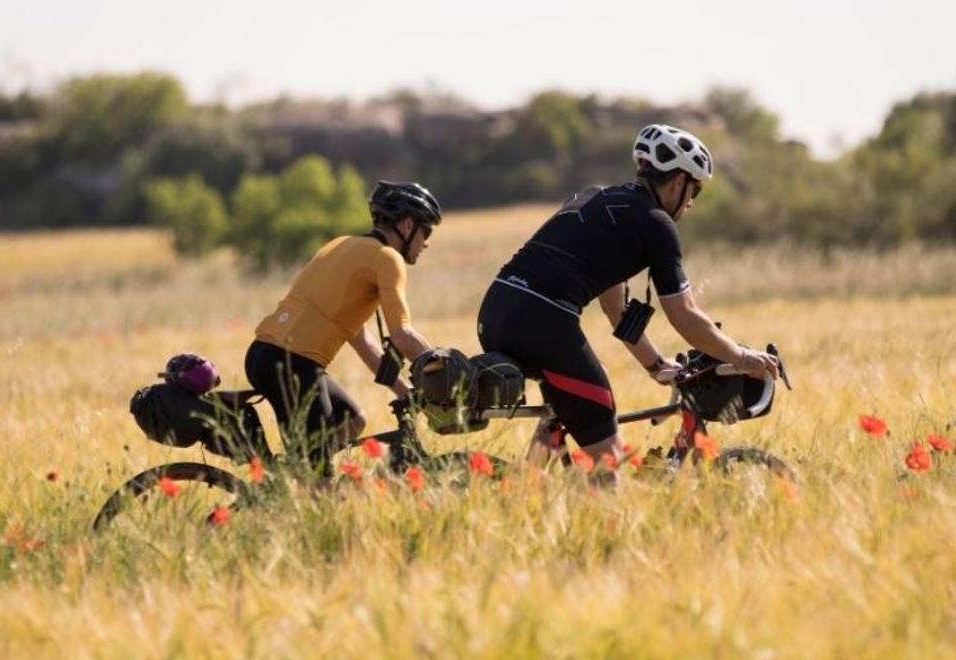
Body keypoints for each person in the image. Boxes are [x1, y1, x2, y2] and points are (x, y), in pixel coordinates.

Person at [476, 124, 780, 472]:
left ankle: (522, 493)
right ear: (679, 181)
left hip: (496, 312)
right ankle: (604, 514)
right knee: (611, 459)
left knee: (578, 395)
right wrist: (741, 357)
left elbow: (615, 308)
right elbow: (684, 314)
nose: (692, 202)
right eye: (695, 190)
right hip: (543, 323)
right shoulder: (656, 224)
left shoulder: (597, 199)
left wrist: (653, 364)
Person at [246, 181, 441, 476]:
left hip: (268, 355)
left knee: (351, 420)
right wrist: (446, 374)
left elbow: (360, 337)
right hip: (293, 365)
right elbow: (402, 335)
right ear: (407, 224)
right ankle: (306, 492)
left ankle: (293, 480)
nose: (426, 242)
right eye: (426, 232)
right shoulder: (387, 259)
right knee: (320, 480)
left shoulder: (341, 244)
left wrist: (403, 391)